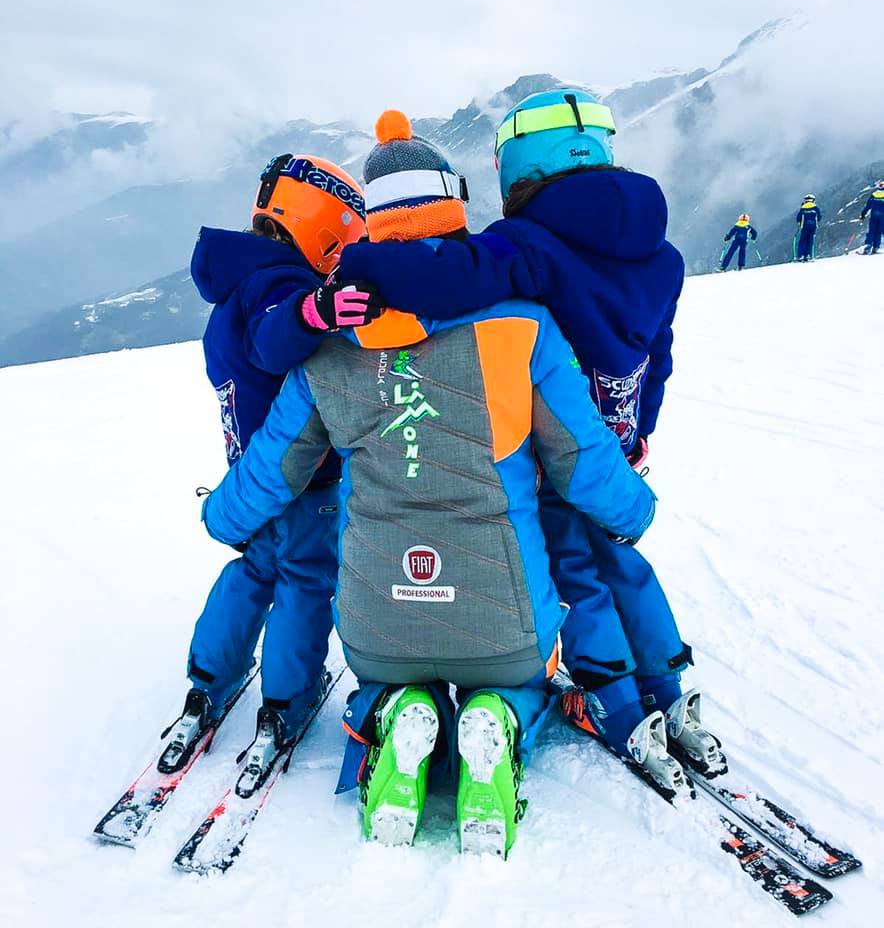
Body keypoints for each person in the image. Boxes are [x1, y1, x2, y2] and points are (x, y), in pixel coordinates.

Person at [200, 111, 657, 858]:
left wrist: (221, 519)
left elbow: (273, 467)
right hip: (503, 618)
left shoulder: (329, 342)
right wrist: (635, 513)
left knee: (389, 667)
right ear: (456, 204)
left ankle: (395, 708)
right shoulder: (523, 327)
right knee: (518, 677)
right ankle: (500, 719)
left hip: (379, 621)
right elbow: (584, 460)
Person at [332, 94, 719, 795]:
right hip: (619, 438)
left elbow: (449, 276)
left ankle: (618, 704)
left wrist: (366, 265)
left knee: (576, 573)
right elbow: (657, 355)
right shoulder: (661, 258)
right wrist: (639, 433)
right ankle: (669, 685)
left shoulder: (531, 247)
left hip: (555, 449)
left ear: (517, 169)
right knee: (622, 558)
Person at [158, 154, 381, 779]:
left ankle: (208, 681)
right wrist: (317, 312)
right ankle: (285, 701)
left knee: (255, 571)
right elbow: (274, 337)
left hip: (249, 472)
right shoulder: (279, 286)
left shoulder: (237, 279)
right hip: (304, 481)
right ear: (325, 230)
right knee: (306, 583)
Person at [794, 195, 821, 262]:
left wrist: (799, 223)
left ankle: (801, 256)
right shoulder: (815, 207)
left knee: (802, 241)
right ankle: (808, 255)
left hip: (804, 227)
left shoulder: (803, 208)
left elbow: (798, 218)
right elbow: (819, 216)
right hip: (813, 227)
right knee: (810, 241)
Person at [860, 180, 884, 255]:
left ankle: (868, 247)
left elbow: (868, 205)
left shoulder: (874, 194)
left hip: (874, 215)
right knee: (879, 231)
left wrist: (863, 214)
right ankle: (875, 248)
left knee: (872, 231)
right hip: (883, 216)